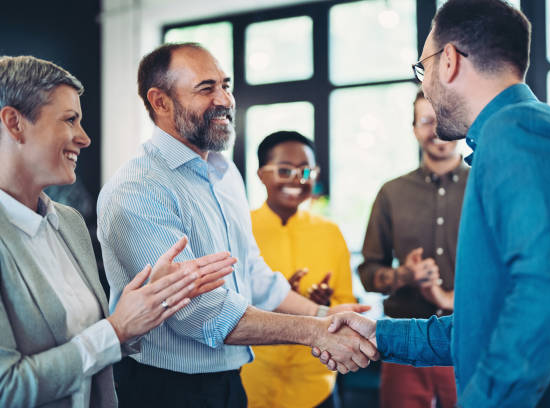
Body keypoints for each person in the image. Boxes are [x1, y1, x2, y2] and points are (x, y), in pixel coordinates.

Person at [314, 1, 550, 407]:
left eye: (424, 71)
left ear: (449, 61)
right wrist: (378, 334)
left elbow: (548, 293)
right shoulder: (520, 133)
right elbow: (481, 323)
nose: (428, 90)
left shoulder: (518, 131)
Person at [96, 43, 376, 408]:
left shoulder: (225, 175)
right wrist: (315, 332)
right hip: (165, 389)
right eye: (206, 88)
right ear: (160, 102)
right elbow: (201, 312)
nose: (225, 99)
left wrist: (324, 314)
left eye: (225, 86)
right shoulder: (138, 189)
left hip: (230, 381)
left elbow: (252, 273)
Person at [0, 55, 237, 408]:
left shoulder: (69, 222)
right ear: (14, 123)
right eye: (70, 120)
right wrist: (117, 329)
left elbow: (95, 344)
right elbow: (8, 387)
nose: (84, 138)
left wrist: (148, 304)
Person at [359, 91, 467, 408]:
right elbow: (368, 274)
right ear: (414, 128)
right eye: (427, 121)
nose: (437, 130)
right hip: (403, 342)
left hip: (466, 338)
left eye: (445, 118)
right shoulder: (391, 193)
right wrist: (404, 275)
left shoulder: (484, 186)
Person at [240, 131, 358, 408]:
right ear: (261, 174)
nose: (297, 180)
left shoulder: (330, 232)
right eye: (284, 170)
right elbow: (226, 306)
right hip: (252, 381)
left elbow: (348, 304)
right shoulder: (241, 230)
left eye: (306, 170)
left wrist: (323, 304)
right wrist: (281, 298)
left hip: (315, 384)